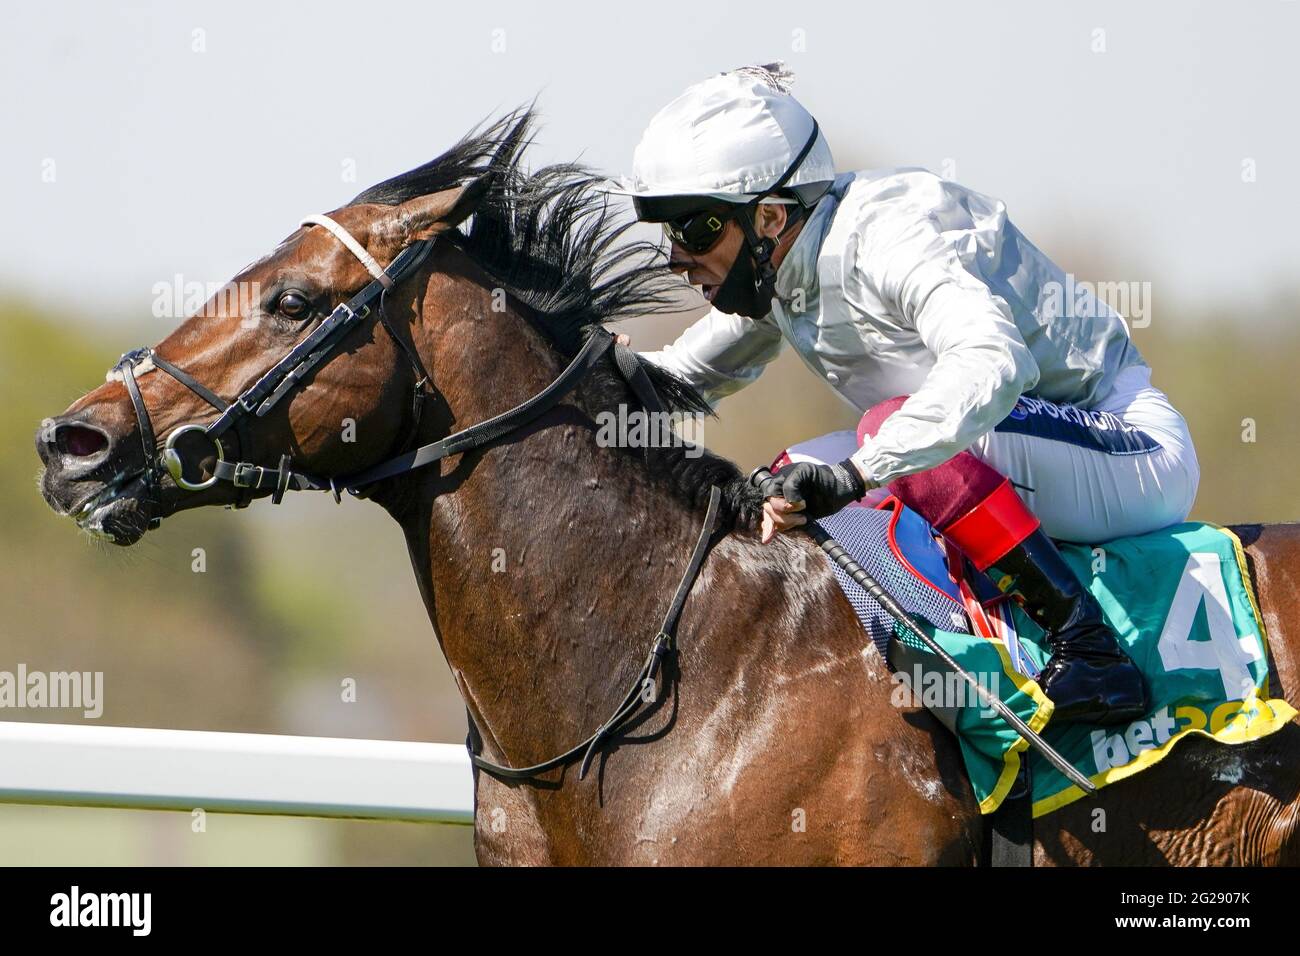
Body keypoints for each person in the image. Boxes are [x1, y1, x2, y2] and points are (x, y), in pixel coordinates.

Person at [606, 63, 1201, 727]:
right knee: (783, 481)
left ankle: (1091, 649)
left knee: (882, 436)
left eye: (696, 230)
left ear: (770, 215)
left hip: (1131, 447)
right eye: (668, 232)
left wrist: (859, 473)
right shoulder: (783, 261)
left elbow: (990, 363)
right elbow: (676, 381)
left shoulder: (892, 235)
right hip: (1018, 450)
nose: (677, 258)